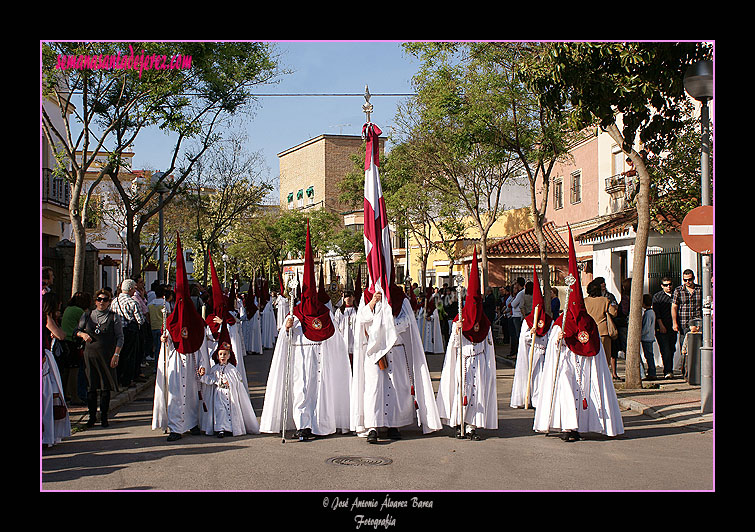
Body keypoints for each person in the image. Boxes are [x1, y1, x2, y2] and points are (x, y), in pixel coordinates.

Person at [259, 222, 351, 441]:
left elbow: (334, 338)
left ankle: (320, 424)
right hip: (300, 358)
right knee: (301, 390)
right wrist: (287, 329)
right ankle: (302, 425)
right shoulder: (296, 312)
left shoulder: (324, 313)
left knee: (320, 392)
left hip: (320, 359)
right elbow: (284, 338)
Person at [533, 225, 624, 442]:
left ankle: (583, 425)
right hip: (566, 363)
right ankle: (567, 427)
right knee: (565, 391)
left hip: (585, 366)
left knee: (585, 394)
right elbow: (554, 346)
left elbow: (594, 349)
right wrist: (560, 338)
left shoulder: (589, 323)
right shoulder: (559, 322)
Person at [351, 259, 442, 444]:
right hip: (375, 352)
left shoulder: (400, 297)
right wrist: (373, 304)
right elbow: (360, 319)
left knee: (397, 387)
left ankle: (394, 424)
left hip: (396, 351)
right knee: (373, 388)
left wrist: (390, 324)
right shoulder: (368, 296)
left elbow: (408, 322)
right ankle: (373, 426)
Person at [152, 234, 212, 442]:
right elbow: (168, 342)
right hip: (176, 361)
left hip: (193, 360)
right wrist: (165, 342)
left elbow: (202, 341)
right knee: (176, 394)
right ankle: (177, 426)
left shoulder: (196, 322)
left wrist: (204, 363)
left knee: (193, 394)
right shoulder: (170, 321)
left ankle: (193, 423)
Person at [436, 249, 497, 440]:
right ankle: (459, 423)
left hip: (478, 363)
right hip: (462, 362)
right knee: (460, 391)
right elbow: (453, 345)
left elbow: (489, 346)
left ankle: (472, 426)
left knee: (477, 393)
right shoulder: (458, 321)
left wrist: (487, 367)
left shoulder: (485, 323)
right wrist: (457, 330)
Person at [198, 323, 260, 438]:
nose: (222, 356)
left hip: (230, 394)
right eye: (220, 354)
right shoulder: (215, 369)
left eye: (225, 354)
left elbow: (237, 384)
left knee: (231, 410)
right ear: (217, 356)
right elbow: (212, 380)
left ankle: (232, 428)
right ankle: (220, 429)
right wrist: (202, 377)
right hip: (219, 394)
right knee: (220, 411)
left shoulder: (232, 370)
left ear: (229, 355)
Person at [74, 289, 122, 428]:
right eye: (99, 299)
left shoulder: (114, 317)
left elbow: (120, 337)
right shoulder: (87, 315)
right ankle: (92, 416)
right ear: (95, 301)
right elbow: (76, 331)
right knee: (91, 387)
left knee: (105, 387)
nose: (102, 302)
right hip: (90, 356)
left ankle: (104, 416)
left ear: (109, 302)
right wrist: (82, 335)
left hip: (107, 356)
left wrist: (116, 354)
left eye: (105, 300)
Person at [511, 267, 553, 410]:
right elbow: (523, 338)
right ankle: (530, 398)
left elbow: (550, 335)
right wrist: (531, 333)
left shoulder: (549, 320)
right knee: (533, 375)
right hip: (532, 352)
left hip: (545, 353)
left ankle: (541, 398)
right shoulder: (527, 321)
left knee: (543, 377)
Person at [42, 290, 71, 446]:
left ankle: (49, 434)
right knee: (50, 396)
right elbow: (60, 335)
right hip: (46, 359)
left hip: (48, 357)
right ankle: (47, 436)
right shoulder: (46, 318)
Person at [112, 278, 147, 388]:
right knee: (129, 356)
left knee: (118, 354)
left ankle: (116, 378)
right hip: (129, 332)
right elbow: (140, 320)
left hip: (117, 331)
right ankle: (127, 380)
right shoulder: (132, 302)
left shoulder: (114, 301)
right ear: (131, 289)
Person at [60, 292, 92, 405]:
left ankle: (66, 393)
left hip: (65, 342)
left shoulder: (68, 308)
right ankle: (75, 396)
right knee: (75, 370)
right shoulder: (79, 311)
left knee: (67, 371)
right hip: (73, 342)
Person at [584, 279, 620, 380]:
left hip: (589, 331)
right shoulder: (605, 300)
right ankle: (604, 376)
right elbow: (614, 313)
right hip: (603, 331)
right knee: (605, 356)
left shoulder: (585, 301)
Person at [672, 269, 703, 375]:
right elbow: (674, 307)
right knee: (685, 348)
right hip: (684, 323)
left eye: (690, 279)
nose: (688, 282)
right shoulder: (678, 290)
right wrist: (674, 322)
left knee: (699, 346)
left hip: (698, 322)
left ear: (693, 278)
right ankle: (686, 371)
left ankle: (697, 370)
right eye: (685, 280)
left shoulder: (700, 289)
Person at [652, 276, 677, 379]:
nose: (668, 287)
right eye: (666, 285)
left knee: (672, 349)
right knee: (665, 349)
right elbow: (657, 313)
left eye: (670, 284)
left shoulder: (676, 295)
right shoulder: (658, 297)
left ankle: (669, 368)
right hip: (662, 327)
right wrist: (661, 325)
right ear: (662, 286)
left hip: (673, 327)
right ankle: (667, 371)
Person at [334, 290, 358, 366]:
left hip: (355, 337)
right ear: (343, 299)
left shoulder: (357, 310)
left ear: (353, 298)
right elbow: (336, 325)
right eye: (346, 297)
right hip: (343, 336)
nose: (348, 299)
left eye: (350, 296)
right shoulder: (340, 311)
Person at [417, 288, 444, 355]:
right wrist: (424, 316)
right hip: (425, 324)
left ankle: (431, 349)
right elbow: (419, 316)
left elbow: (436, 316)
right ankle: (425, 349)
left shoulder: (433, 308)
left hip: (431, 324)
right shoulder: (422, 307)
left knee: (431, 337)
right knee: (425, 336)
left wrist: (431, 317)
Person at [148, 285, 168, 362]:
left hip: (153, 327)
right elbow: (168, 317)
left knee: (155, 346)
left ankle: (155, 364)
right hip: (162, 328)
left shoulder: (150, 304)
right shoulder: (165, 304)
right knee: (161, 348)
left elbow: (148, 316)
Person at [641, 294, 657, 380]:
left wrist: (640, 335)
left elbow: (646, 328)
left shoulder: (648, 313)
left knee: (649, 356)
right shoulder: (651, 312)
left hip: (646, 337)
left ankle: (652, 372)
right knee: (649, 355)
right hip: (650, 337)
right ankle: (651, 371)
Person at [508, 278, 525, 357]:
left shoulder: (521, 293)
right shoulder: (520, 293)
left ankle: (517, 353)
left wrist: (511, 303)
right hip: (516, 315)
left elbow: (513, 304)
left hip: (517, 316)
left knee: (517, 335)